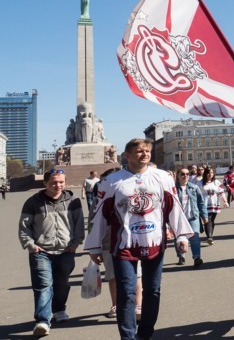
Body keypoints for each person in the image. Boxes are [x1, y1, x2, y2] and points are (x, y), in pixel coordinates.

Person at [85, 138, 193, 340]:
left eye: (147, 151)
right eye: (139, 151)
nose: (144, 154)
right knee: (126, 292)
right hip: (124, 244)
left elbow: (174, 207)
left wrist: (182, 235)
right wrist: (95, 245)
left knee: (153, 291)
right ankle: (128, 337)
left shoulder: (163, 177)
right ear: (127, 155)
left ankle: (145, 334)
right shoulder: (112, 181)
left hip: (154, 242)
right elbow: (99, 215)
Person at [19, 169, 85, 337]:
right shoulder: (33, 202)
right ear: (45, 183)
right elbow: (24, 226)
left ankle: (59, 309)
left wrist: (76, 243)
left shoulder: (73, 201)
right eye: (54, 182)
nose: (58, 185)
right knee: (43, 285)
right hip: (41, 250)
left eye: (61, 182)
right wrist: (30, 245)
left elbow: (79, 224)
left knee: (62, 284)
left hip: (66, 250)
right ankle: (42, 321)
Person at [93, 168, 144, 320]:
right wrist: (94, 246)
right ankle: (115, 304)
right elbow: (93, 222)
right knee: (112, 275)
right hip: (109, 241)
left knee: (137, 274)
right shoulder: (100, 198)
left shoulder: (132, 194)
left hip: (132, 240)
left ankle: (138, 304)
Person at [175, 168, 208, 268]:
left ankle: (197, 258)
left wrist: (204, 215)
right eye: (182, 174)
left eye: (187, 174)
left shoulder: (194, 187)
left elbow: (201, 202)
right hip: (179, 218)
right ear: (178, 176)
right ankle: (181, 256)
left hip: (193, 216)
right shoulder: (173, 189)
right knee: (180, 238)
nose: (185, 176)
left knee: (195, 237)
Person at [199, 166, 228, 246]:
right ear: (205, 174)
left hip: (214, 203)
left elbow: (221, 192)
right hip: (204, 204)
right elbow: (197, 195)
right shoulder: (200, 183)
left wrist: (225, 202)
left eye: (211, 172)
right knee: (207, 220)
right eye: (208, 172)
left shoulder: (216, 182)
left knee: (211, 220)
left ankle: (210, 236)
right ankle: (209, 237)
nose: (210, 174)